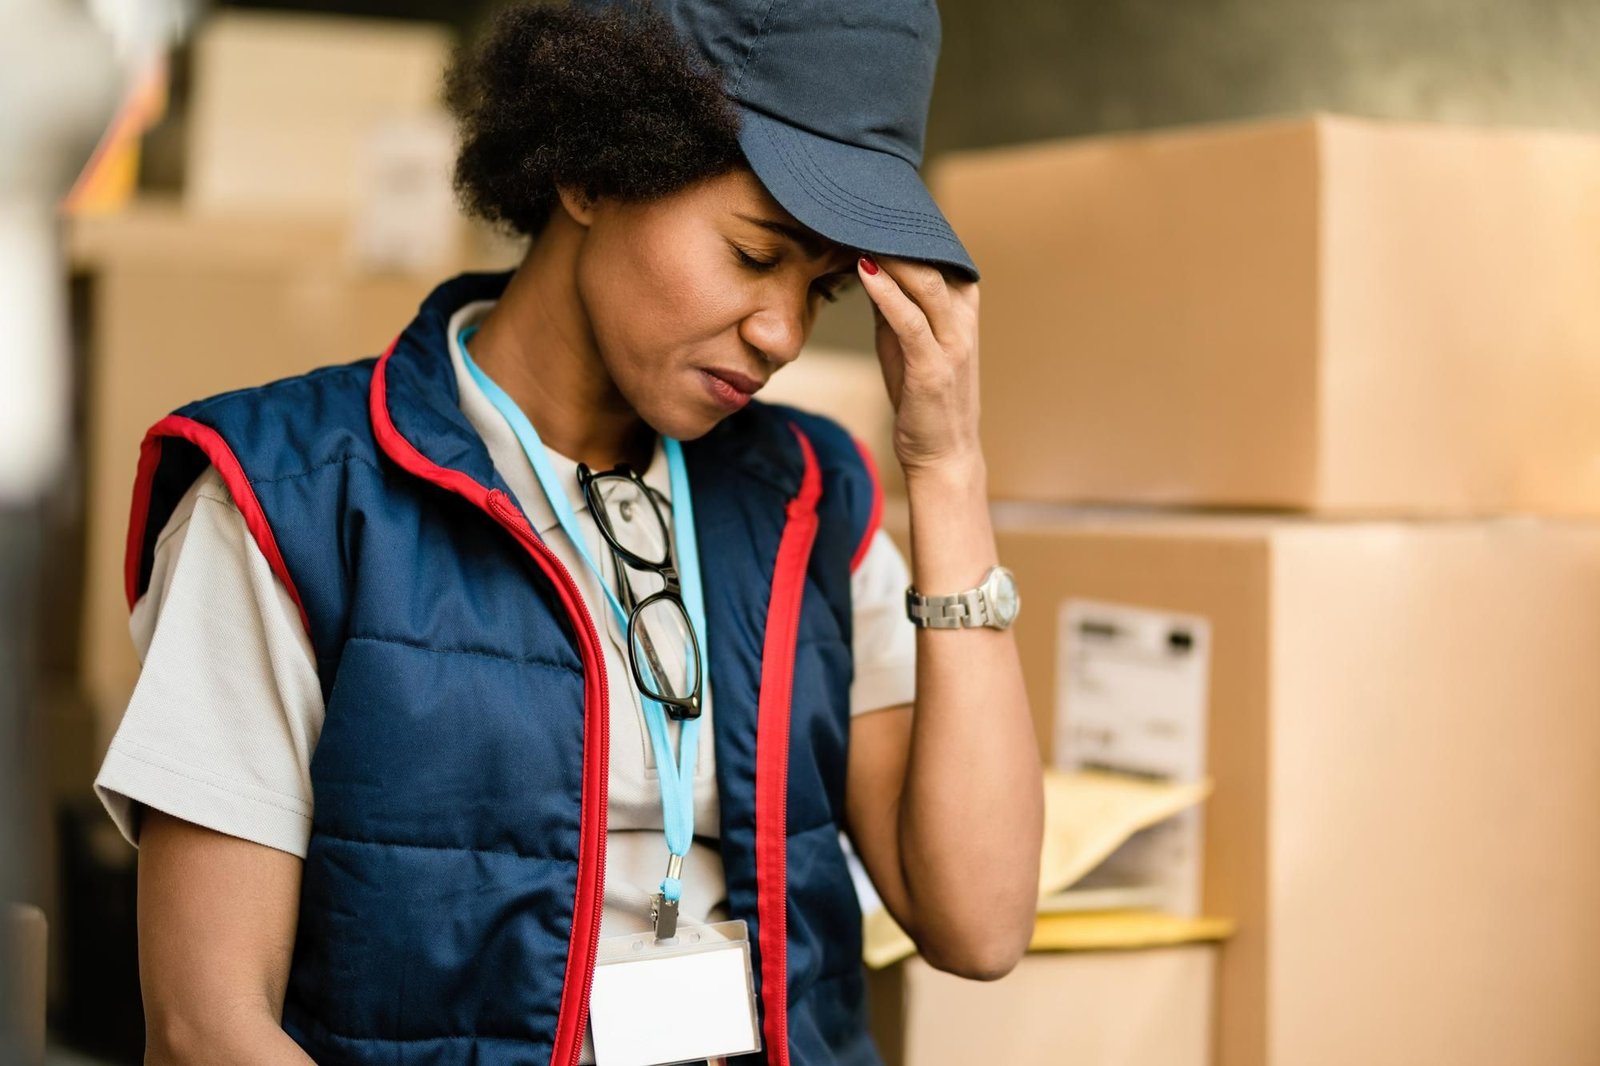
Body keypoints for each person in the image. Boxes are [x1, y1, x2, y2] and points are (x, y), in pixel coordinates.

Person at [93, 0, 1043, 1062]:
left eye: (820, 290)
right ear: (590, 171)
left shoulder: (817, 502)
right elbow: (204, 1026)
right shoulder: (286, 499)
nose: (779, 332)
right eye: (750, 254)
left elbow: (981, 922)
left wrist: (947, 468)